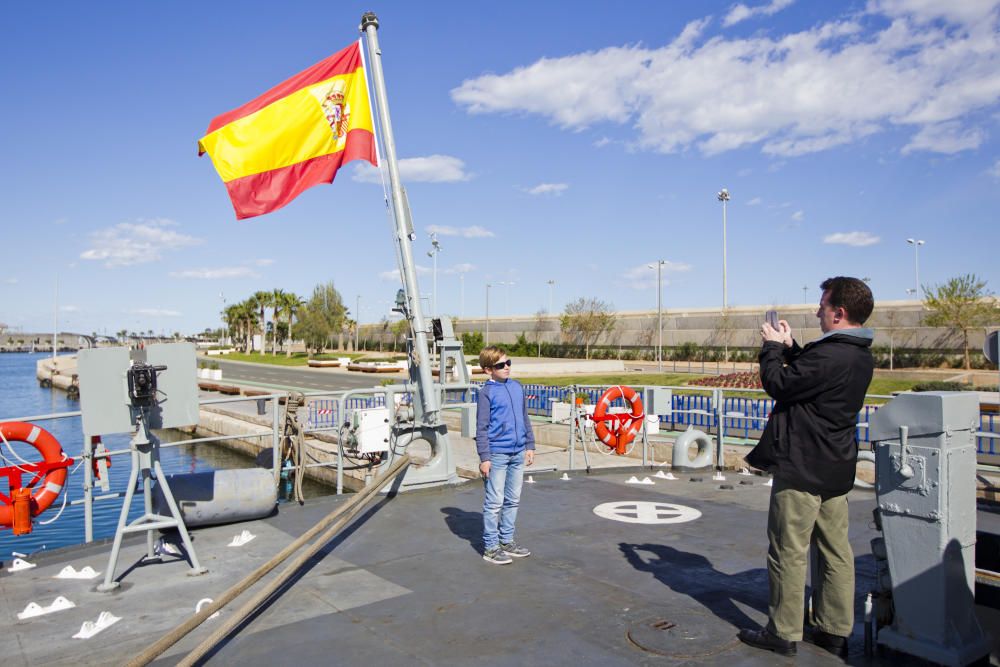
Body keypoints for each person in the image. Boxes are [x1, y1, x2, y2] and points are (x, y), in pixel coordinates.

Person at [738, 277, 875, 657]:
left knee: (788, 549)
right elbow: (813, 377)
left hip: (802, 467)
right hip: (836, 468)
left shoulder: (831, 355)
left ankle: (783, 631)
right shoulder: (859, 355)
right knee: (835, 551)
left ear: (839, 312)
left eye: (822, 305)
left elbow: (779, 383)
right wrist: (792, 347)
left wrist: (769, 347)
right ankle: (833, 629)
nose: (817, 311)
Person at [475, 346, 535, 565]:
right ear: (488, 370)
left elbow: (524, 418)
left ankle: (507, 541)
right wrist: (485, 458)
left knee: (513, 500)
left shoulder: (517, 387)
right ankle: (491, 547)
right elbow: (481, 428)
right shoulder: (486, 393)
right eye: (501, 365)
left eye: (509, 363)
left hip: (518, 452)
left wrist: (530, 445)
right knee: (494, 502)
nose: (507, 367)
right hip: (497, 455)